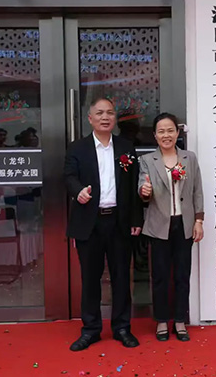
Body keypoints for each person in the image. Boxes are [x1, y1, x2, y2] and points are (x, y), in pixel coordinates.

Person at [64, 96, 144, 351]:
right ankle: (91, 329)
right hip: (90, 222)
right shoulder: (77, 148)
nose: (105, 117)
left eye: (109, 112)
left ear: (115, 118)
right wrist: (78, 191)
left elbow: (133, 186)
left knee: (121, 277)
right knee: (90, 278)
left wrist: (136, 219)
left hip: (119, 221)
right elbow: (69, 176)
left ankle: (122, 328)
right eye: (99, 113)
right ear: (90, 119)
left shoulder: (126, 147)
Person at [138, 113, 204, 342]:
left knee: (182, 275)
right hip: (159, 225)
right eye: (161, 131)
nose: (166, 135)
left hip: (184, 224)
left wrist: (198, 220)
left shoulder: (189, 158)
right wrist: (144, 191)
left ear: (177, 133)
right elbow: (142, 186)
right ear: (155, 135)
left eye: (170, 130)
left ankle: (180, 320)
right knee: (160, 276)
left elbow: (197, 190)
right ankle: (162, 321)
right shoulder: (147, 160)